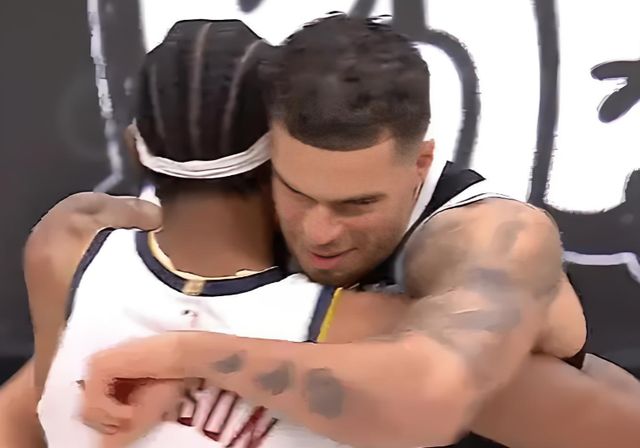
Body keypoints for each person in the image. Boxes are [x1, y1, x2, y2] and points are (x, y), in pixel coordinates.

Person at [2, 12, 639, 448]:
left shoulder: (493, 239)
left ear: (420, 163)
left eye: (357, 203)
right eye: (297, 193)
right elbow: (44, 395)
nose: (321, 232)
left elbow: (432, 399)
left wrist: (182, 357)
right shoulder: (235, 217)